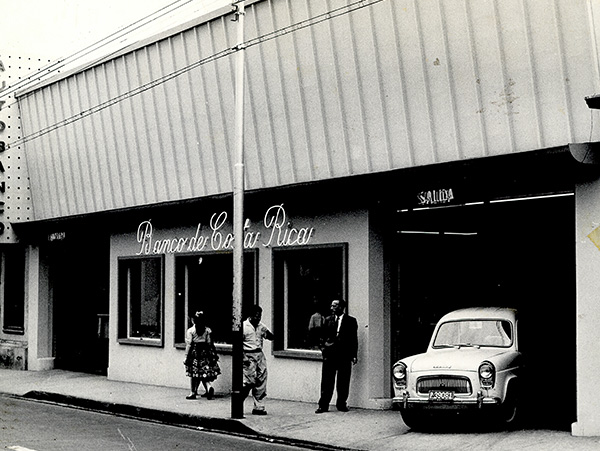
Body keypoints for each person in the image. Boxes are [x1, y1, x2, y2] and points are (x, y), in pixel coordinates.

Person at [315, 299, 358, 413]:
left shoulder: (351, 321)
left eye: (335, 306)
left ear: (341, 307)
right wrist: (323, 349)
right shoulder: (327, 320)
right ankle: (323, 405)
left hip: (344, 355)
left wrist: (354, 355)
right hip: (330, 355)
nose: (332, 308)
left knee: (343, 381)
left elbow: (354, 339)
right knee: (327, 381)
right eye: (331, 306)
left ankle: (341, 404)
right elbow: (321, 337)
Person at [242, 305, 274, 415]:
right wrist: (244, 358)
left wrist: (269, 333)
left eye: (259, 316)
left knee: (261, 379)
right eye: (255, 316)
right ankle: (240, 398)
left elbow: (270, 336)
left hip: (259, 354)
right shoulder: (244, 327)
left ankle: (258, 406)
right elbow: (238, 345)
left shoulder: (261, 326)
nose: (258, 318)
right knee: (249, 382)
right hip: (248, 354)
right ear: (250, 316)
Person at [184, 311, 220, 400]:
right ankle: (208, 387)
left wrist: (186, 356)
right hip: (206, 352)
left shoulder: (191, 331)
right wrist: (213, 354)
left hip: (195, 353)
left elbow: (189, 344)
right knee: (204, 372)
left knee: (194, 373)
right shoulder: (208, 330)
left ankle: (193, 392)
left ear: (193, 320)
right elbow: (209, 343)